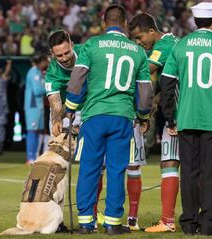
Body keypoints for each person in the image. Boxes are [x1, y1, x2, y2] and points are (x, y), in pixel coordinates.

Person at [65, 4, 152, 235]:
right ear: (125, 24)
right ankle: (113, 222)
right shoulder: (137, 51)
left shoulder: (92, 45)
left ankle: (86, 222)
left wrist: (71, 107)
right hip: (122, 118)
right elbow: (145, 92)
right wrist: (143, 116)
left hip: (94, 116)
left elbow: (78, 79)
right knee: (116, 170)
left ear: (104, 23)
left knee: (89, 169)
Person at [160, 2, 212, 236]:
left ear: (196, 21)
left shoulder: (181, 45)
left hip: (186, 118)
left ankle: (188, 223)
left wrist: (170, 118)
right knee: (210, 173)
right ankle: (208, 225)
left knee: (189, 173)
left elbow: (166, 84)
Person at [129, 13, 180, 232]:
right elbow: (162, 84)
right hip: (180, 109)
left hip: (179, 112)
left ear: (152, 31)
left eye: (140, 38)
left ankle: (168, 221)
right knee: (181, 163)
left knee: (170, 161)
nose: (139, 43)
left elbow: (144, 70)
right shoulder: (173, 43)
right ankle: (189, 219)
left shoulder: (165, 45)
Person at [45, 30, 83, 136]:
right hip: (66, 113)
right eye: (59, 56)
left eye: (67, 53)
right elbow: (55, 105)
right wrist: (57, 120)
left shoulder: (86, 53)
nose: (65, 58)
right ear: (52, 53)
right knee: (59, 151)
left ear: (72, 45)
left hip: (91, 110)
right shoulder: (52, 74)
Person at [24, 55, 49, 165]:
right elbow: (37, 90)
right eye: (46, 62)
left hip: (39, 106)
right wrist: (50, 87)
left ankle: (36, 156)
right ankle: (30, 158)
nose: (47, 64)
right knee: (32, 130)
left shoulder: (39, 72)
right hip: (32, 106)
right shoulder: (33, 72)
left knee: (39, 131)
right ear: (42, 61)